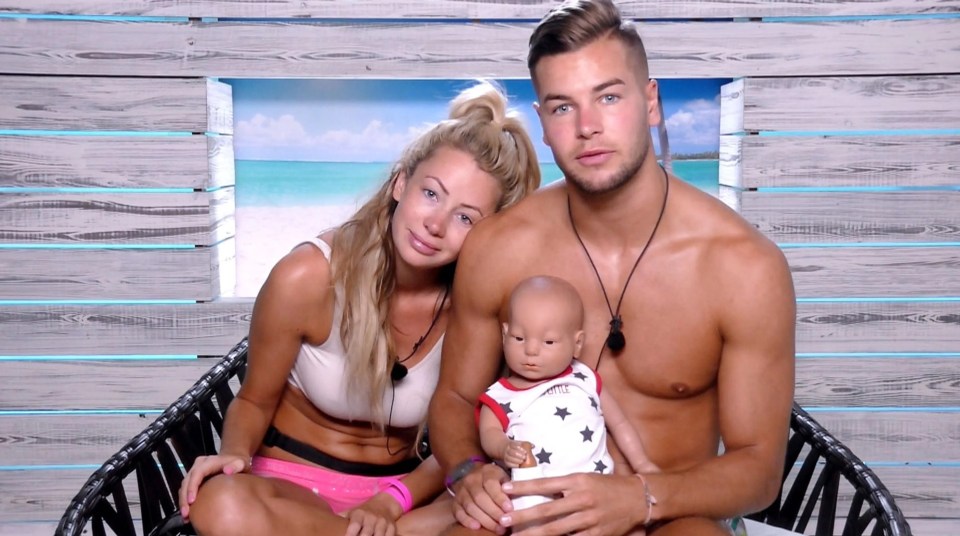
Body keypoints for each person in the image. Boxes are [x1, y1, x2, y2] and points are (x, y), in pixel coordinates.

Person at [427, 1, 797, 535]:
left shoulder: (742, 267)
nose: (588, 127)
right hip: (530, 511)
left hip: (669, 515)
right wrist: (467, 472)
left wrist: (638, 498)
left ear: (650, 102)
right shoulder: (500, 247)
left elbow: (759, 469)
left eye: (608, 96)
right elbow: (456, 399)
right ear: (543, 125)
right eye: (562, 107)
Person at [177, 80, 541, 536]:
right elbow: (252, 400)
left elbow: (467, 433)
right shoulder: (308, 276)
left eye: (466, 217)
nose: (435, 223)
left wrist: (392, 504)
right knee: (220, 505)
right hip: (290, 491)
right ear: (400, 183)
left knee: (504, 511)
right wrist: (234, 454)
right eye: (431, 193)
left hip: (404, 499)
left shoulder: (478, 307)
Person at [477, 275, 655, 486]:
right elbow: (489, 434)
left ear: (577, 343)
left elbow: (619, 423)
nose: (531, 350)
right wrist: (504, 447)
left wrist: (643, 465)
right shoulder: (500, 396)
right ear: (504, 335)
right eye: (519, 338)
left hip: (597, 491)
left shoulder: (585, 379)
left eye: (549, 341)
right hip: (532, 494)